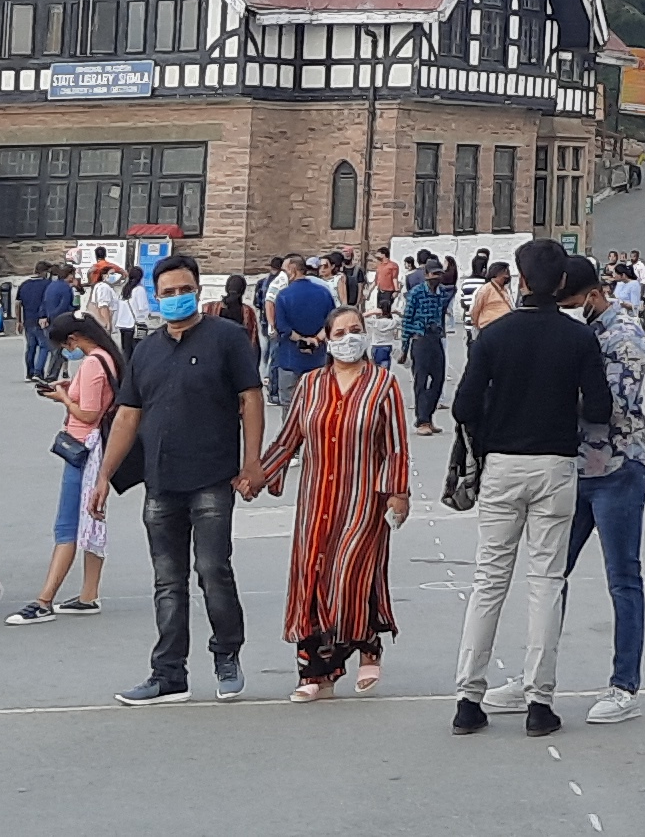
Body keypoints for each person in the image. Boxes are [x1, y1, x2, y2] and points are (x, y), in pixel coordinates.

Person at [449, 236, 613, 734]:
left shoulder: (496, 337)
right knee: (545, 581)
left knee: (489, 580)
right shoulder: (578, 338)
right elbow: (601, 410)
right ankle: (539, 701)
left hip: (503, 463)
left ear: (520, 281)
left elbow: (462, 407)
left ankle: (468, 698)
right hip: (555, 465)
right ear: (562, 283)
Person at [99, 253, 266, 704]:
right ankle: (168, 672)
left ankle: (226, 653)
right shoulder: (147, 350)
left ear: (197, 290)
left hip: (212, 475)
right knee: (167, 582)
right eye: (167, 292)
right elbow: (128, 416)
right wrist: (104, 476)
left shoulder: (227, 339)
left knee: (212, 569)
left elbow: (251, 398)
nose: (176, 298)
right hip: (160, 480)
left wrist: (253, 463)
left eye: (183, 290)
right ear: (156, 296)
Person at [247, 304, 413, 701]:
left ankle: (368, 644)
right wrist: (257, 474)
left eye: (355, 330)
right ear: (327, 339)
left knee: (350, 573)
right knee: (312, 577)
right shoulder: (310, 385)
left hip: (364, 501)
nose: (348, 338)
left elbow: (394, 446)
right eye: (339, 333)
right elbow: (289, 439)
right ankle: (314, 671)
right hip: (316, 500)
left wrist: (398, 492)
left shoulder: (382, 385)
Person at [556, 252, 645, 723]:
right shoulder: (577, 333)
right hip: (572, 469)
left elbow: (612, 405)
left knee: (622, 578)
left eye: (573, 302)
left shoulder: (624, 334)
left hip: (618, 468)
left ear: (594, 295)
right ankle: (537, 673)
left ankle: (624, 685)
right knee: (550, 575)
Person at [8, 311, 121, 626]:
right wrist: (70, 388)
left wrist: (62, 398)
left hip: (82, 448)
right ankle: (88, 594)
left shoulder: (92, 364)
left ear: (72, 340)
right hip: (96, 449)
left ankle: (44, 600)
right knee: (93, 520)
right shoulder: (105, 358)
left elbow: (87, 413)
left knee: (67, 526)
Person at [267, 253, 335, 408]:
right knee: (316, 404)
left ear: (292, 270)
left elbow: (283, 328)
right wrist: (316, 339)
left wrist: (301, 339)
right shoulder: (324, 292)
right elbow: (332, 322)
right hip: (317, 358)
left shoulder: (284, 295)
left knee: (289, 406)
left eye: (284, 271)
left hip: (289, 358)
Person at [401, 253, 451, 432]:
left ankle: (428, 416)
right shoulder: (416, 293)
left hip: (435, 338)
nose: (437, 277)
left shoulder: (441, 293)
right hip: (419, 338)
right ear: (426, 275)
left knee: (438, 378)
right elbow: (407, 320)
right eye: (434, 274)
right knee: (421, 380)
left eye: (440, 274)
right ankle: (422, 420)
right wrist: (404, 347)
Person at [15, 259, 75, 386]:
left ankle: (29, 372)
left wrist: (18, 320)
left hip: (28, 318)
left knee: (30, 346)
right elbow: (61, 304)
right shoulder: (49, 284)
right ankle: (38, 372)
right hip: (45, 318)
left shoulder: (25, 284)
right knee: (44, 346)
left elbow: (18, 303)